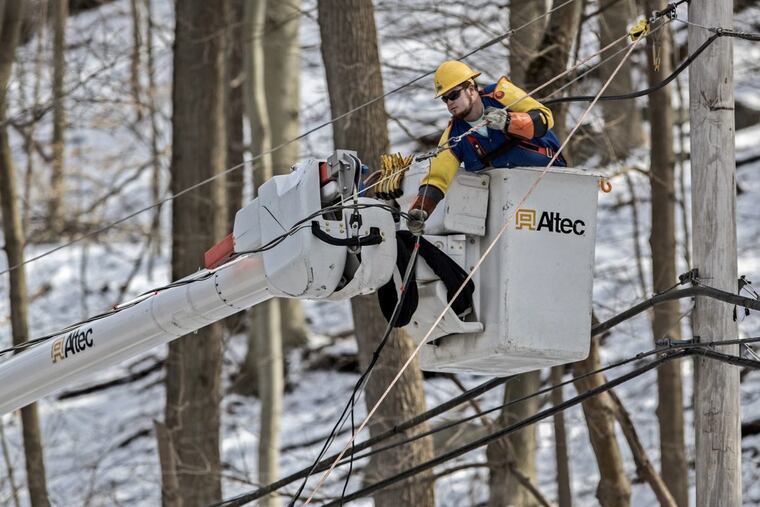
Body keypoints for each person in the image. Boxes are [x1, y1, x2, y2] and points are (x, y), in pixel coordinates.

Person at [407, 60, 565, 234]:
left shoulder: (500, 94)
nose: (450, 103)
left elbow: (544, 118)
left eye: (454, 95)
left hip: (553, 179)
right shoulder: (453, 137)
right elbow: (437, 177)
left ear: (471, 90)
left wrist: (509, 122)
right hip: (511, 204)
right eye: (445, 99)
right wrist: (421, 209)